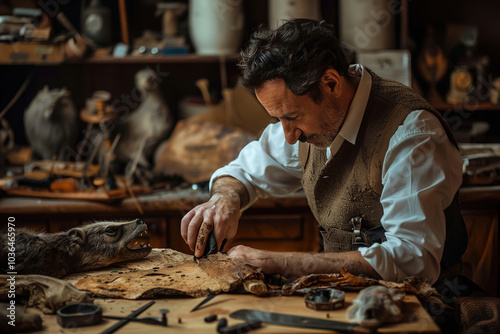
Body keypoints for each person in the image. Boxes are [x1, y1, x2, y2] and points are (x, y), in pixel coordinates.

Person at [181, 19, 468, 286]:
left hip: (424, 308)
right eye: (277, 119)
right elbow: (243, 170)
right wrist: (224, 199)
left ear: (330, 83)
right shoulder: (309, 122)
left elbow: (413, 260)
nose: (289, 137)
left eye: (292, 117)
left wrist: (277, 262)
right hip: (342, 300)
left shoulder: (411, 135)